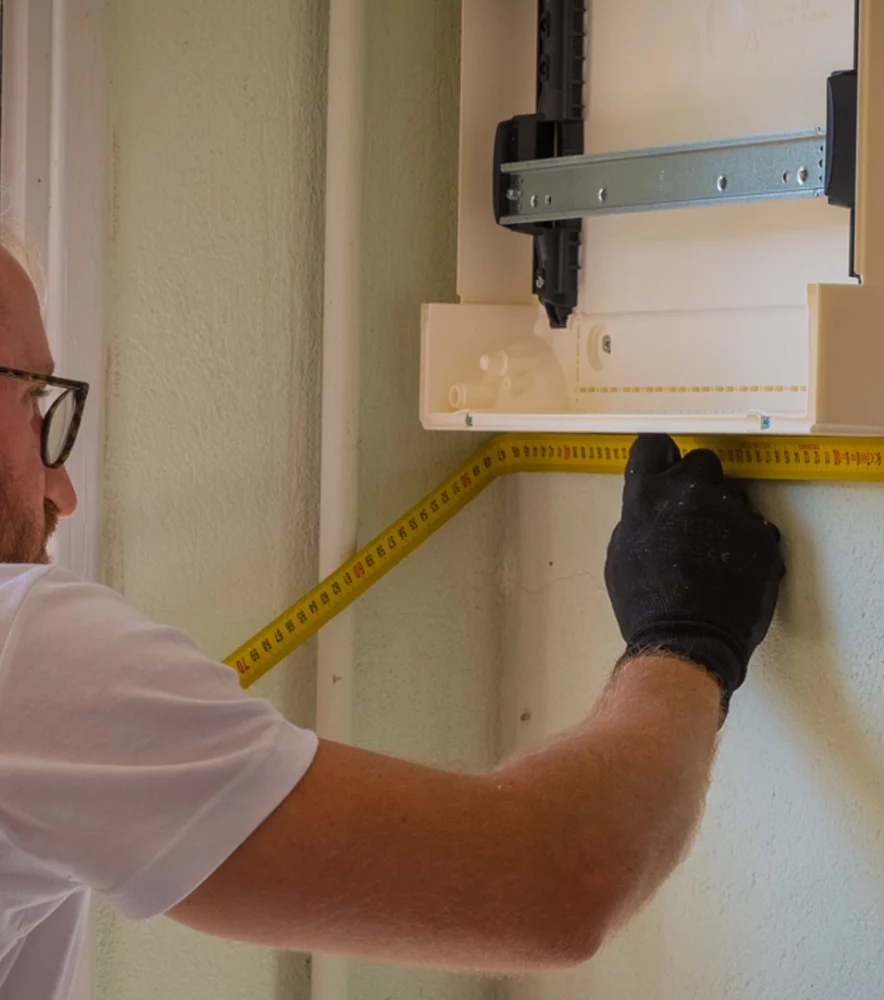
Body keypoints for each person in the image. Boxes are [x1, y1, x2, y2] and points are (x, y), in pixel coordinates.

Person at [0, 243, 784, 999]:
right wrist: (684, 641)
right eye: (34, 397)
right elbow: (558, 876)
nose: (60, 490)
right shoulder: (23, 650)